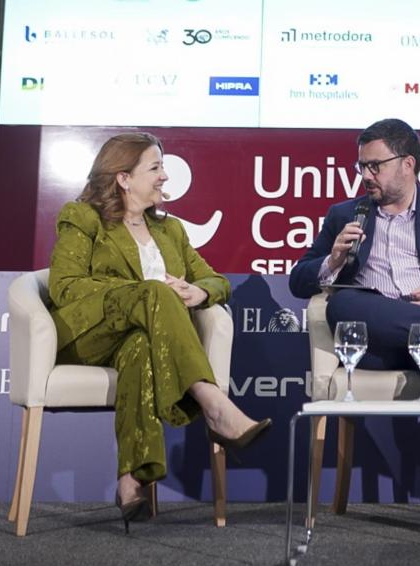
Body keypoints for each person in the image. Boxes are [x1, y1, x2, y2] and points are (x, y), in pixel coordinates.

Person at [290, 118, 420, 545]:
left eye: (375, 166)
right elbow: (299, 282)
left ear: (407, 164)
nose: (365, 176)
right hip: (379, 338)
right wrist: (333, 261)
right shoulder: (344, 215)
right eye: (361, 167)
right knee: (346, 302)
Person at [48, 132, 271, 533]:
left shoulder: (171, 232)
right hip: (90, 337)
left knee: (140, 346)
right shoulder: (82, 218)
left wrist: (198, 290)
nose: (165, 177)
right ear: (123, 178)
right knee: (155, 292)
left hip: (135, 342)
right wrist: (141, 295)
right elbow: (65, 287)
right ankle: (214, 405)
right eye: (155, 168)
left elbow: (217, 280)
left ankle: (132, 479)